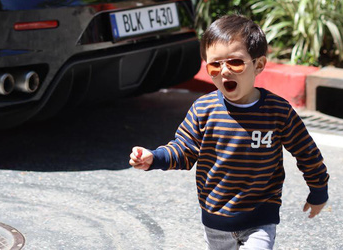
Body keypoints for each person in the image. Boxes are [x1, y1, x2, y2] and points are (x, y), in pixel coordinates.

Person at [129, 14, 329, 250]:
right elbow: (184, 150)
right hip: (215, 221)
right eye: (215, 65)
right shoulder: (204, 109)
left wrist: (318, 189)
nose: (224, 71)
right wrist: (154, 157)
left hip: (260, 217)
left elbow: (306, 152)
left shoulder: (277, 111)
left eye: (235, 62)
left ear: (259, 65)